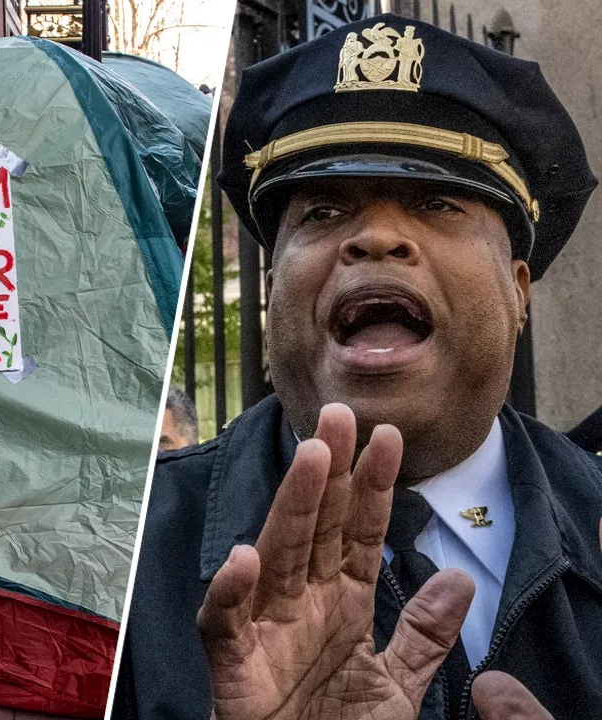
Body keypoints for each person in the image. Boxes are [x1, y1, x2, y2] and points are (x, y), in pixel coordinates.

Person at [113, 15, 602, 720]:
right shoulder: (126, 548)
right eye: (322, 211)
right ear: (275, 288)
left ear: (518, 289)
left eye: (437, 203)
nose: (375, 237)